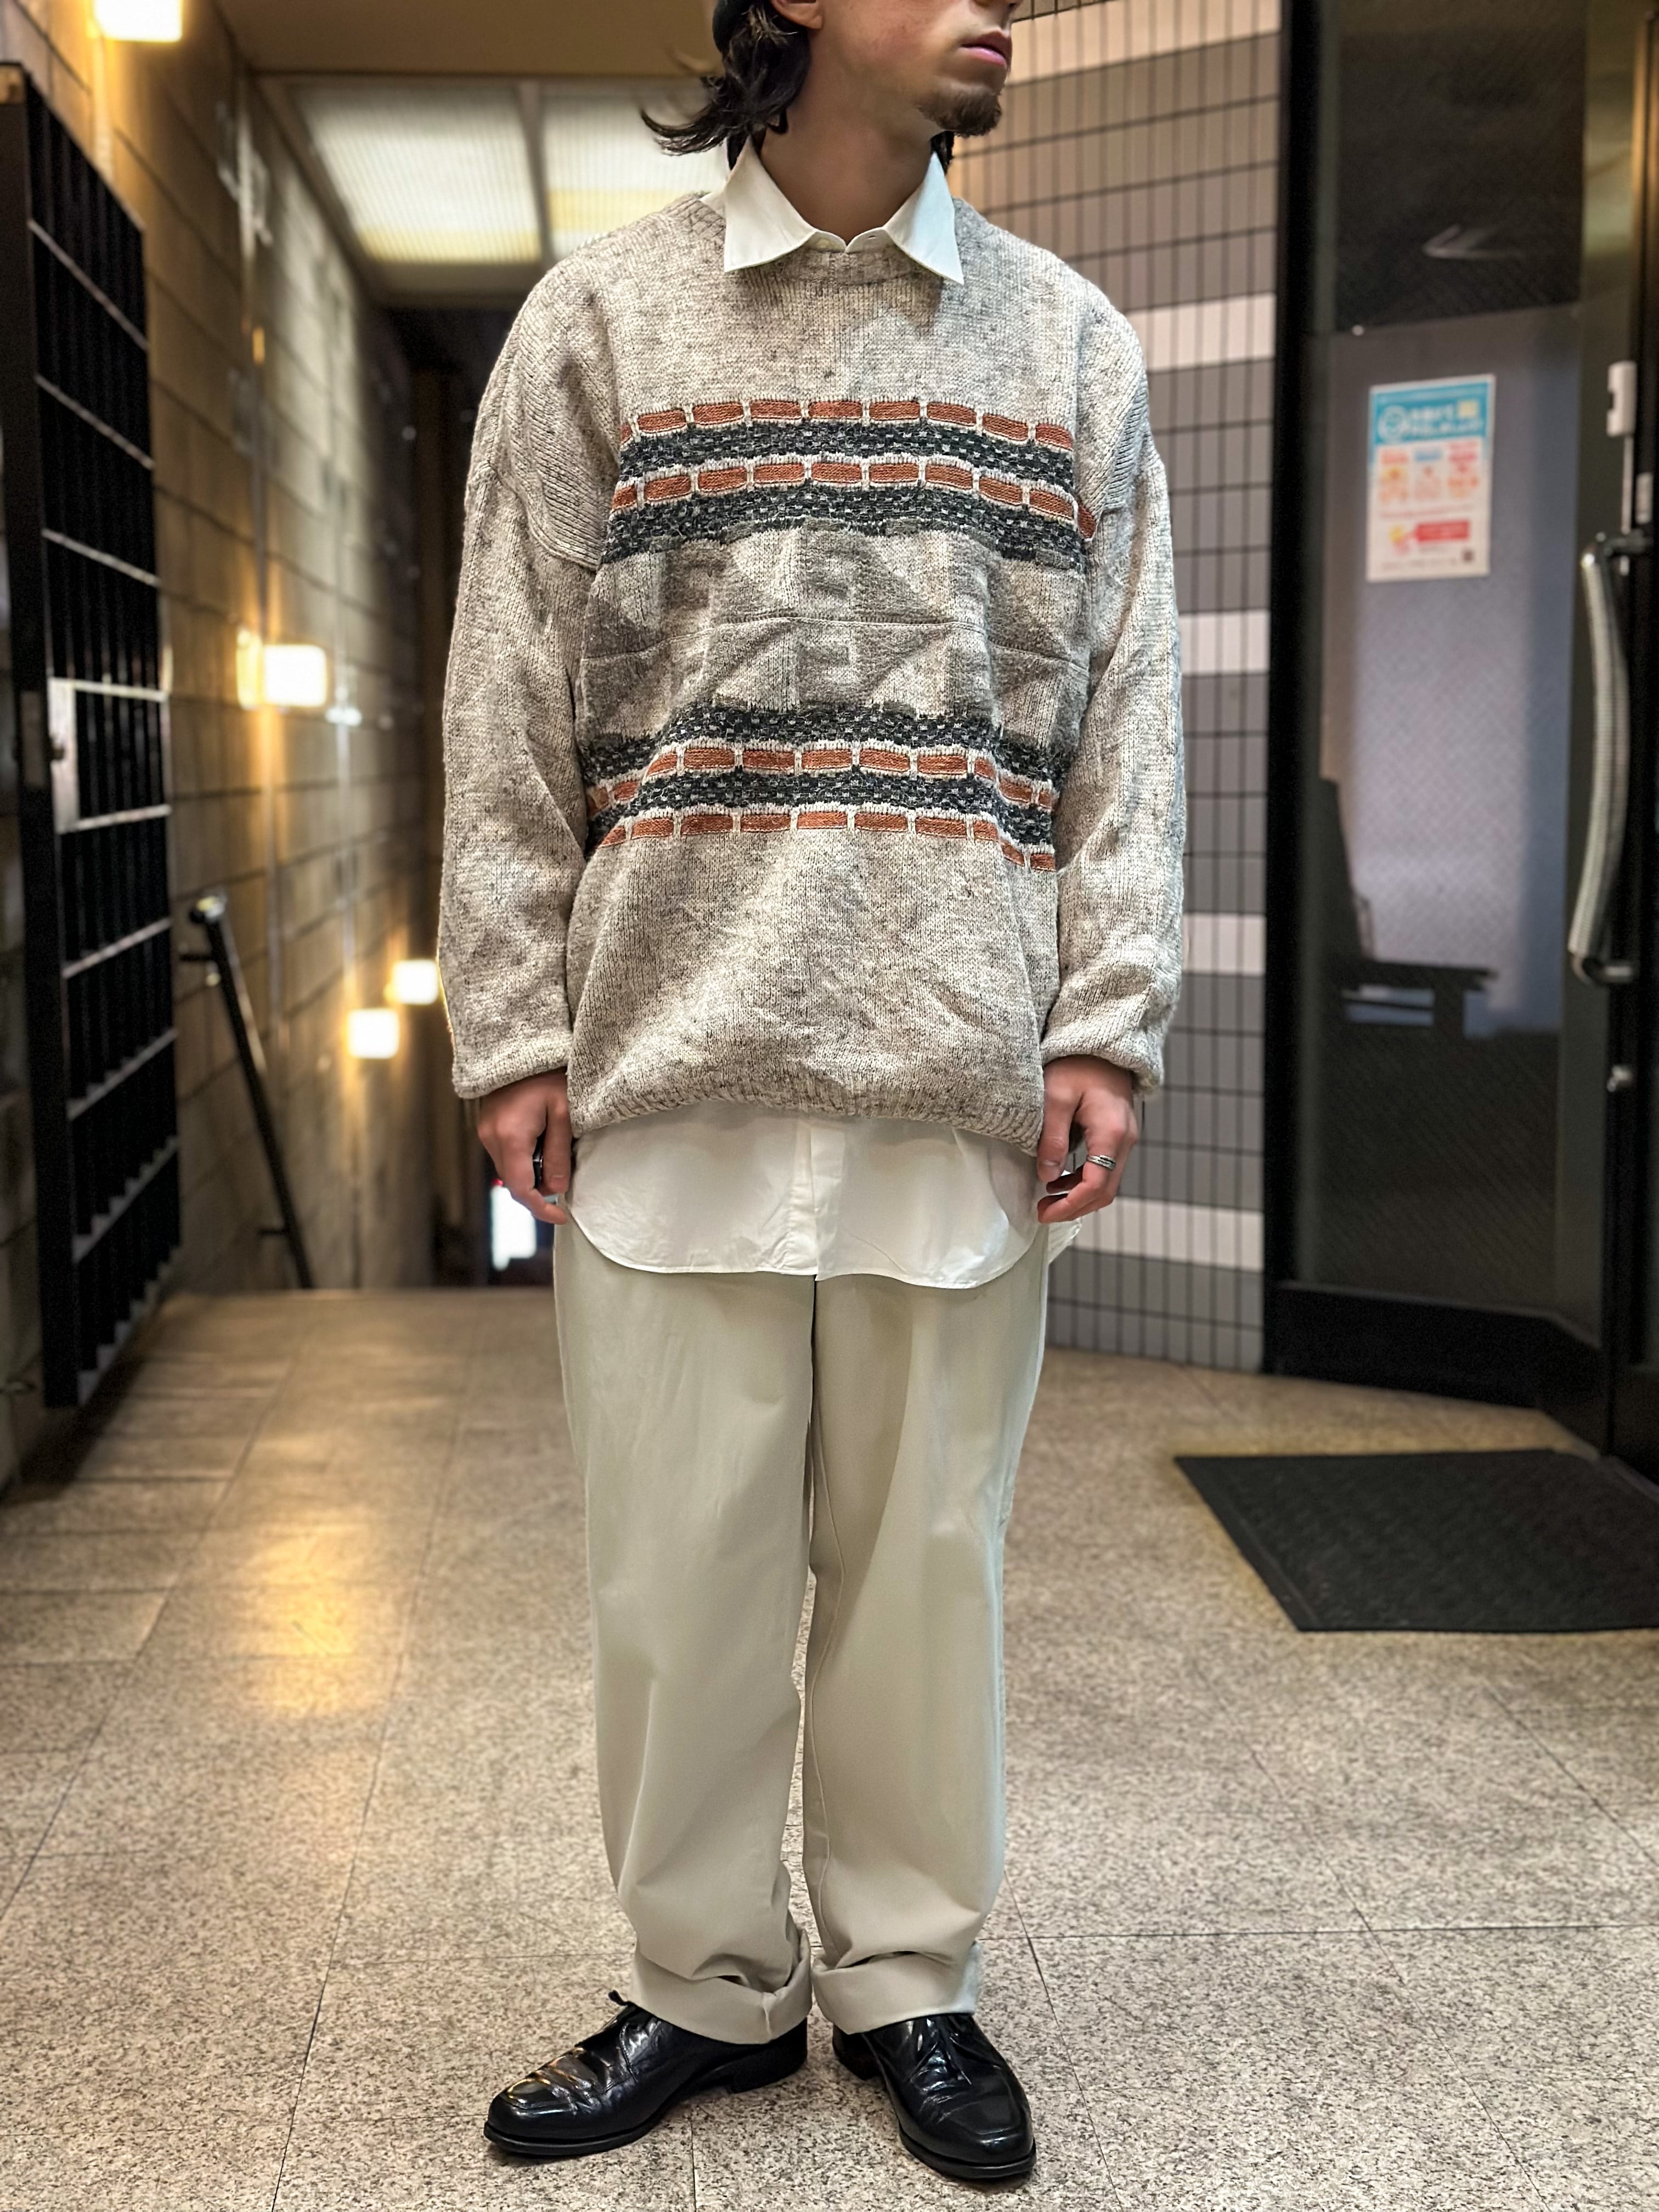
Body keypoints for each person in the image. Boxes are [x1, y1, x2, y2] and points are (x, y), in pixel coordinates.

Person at [438, 0, 1183, 2185]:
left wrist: (1105, 1016)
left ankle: (908, 1979)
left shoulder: (1068, 345)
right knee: (674, 1582)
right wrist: (514, 1025)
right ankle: (703, 1987)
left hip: (957, 1069)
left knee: (927, 1570)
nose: (1001, 1)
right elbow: (505, 690)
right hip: (669, 1062)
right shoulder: (601, 325)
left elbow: (1130, 710)